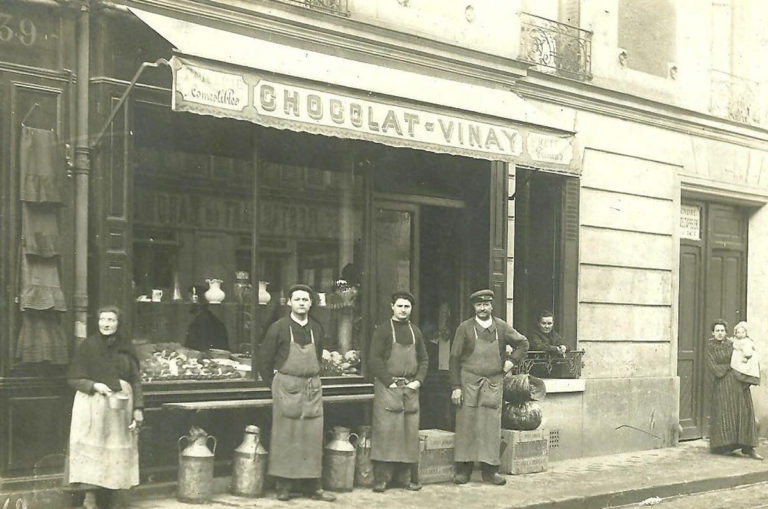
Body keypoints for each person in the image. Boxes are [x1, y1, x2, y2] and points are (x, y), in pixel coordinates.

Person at [259, 284, 336, 502]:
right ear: (289, 302)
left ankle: (313, 486)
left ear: (311, 303)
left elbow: (318, 356)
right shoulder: (278, 327)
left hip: (312, 388)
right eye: (298, 299)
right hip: (286, 387)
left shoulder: (317, 329)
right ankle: (283, 485)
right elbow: (264, 361)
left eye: (306, 300)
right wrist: (275, 383)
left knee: (312, 436)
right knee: (286, 436)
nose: (302, 303)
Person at [449, 289, 529, 485]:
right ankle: (464, 470)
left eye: (486, 304)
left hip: (493, 383)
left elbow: (523, 343)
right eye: (479, 305)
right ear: (474, 307)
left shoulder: (501, 327)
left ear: (491, 306)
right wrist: (455, 386)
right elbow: (453, 359)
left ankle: (490, 471)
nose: (482, 308)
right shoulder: (464, 328)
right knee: (467, 425)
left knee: (490, 426)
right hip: (468, 383)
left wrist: (511, 361)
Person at [67, 305, 143, 509]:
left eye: (111, 320)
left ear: (119, 323)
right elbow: (73, 379)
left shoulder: (126, 347)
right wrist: (94, 385)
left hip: (120, 406)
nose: (106, 324)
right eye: (103, 319)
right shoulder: (88, 346)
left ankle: (114, 498)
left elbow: (136, 380)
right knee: (93, 450)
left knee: (116, 450)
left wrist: (138, 409)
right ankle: (90, 497)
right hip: (93, 405)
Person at [368, 291, 428, 493]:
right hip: (388, 387)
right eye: (400, 306)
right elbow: (374, 359)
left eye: (407, 306)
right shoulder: (383, 331)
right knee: (387, 432)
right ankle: (381, 479)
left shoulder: (416, 332)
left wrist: (418, 381)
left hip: (410, 388)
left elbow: (424, 360)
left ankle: (406, 479)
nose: (403, 310)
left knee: (409, 433)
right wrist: (389, 382)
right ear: (392, 306)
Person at [706, 319, 763, 460]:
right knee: (725, 415)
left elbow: (746, 355)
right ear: (713, 333)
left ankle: (749, 447)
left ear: (726, 332)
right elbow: (712, 366)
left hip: (739, 382)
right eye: (717, 330)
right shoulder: (710, 346)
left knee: (745, 413)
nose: (720, 333)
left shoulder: (733, 344)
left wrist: (743, 370)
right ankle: (724, 446)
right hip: (722, 385)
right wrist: (729, 367)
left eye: (722, 330)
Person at [185, 286, 229, 352]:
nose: (189, 303)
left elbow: (202, 347)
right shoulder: (202, 317)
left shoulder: (204, 320)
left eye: (191, 299)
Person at [527, 310, 568, 378]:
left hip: (553, 371)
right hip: (536, 371)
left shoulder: (554, 335)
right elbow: (539, 346)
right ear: (538, 324)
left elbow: (565, 344)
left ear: (553, 323)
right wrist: (556, 349)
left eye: (549, 323)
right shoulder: (533, 335)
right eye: (543, 323)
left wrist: (564, 347)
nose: (547, 326)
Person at [730, 321, 760, 386]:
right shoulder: (736, 340)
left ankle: (745, 379)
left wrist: (746, 357)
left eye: (743, 332)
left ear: (746, 333)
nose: (740, 334)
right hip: (737, 359)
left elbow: (748, 350)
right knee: (736, 369)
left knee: (743, 370)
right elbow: (734, 344)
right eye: (738, 332)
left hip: (744, 358)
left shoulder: (747, 341)